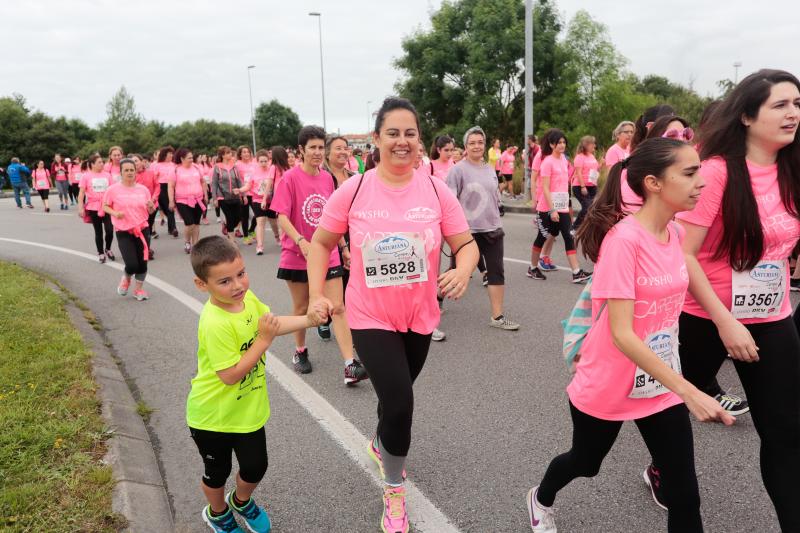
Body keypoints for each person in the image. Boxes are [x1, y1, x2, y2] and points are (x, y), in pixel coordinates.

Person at [526, 138, 733, 533]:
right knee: (585, 463)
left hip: (660, 384)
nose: (700, 183)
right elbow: (622, 334)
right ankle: (541, 497)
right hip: (610, 382)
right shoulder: (623, 242)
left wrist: (725, 322)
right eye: (689, 173)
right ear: (654, 183)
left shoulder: (673, 234)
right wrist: (690, 390)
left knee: (685, 495)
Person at [307, 97, 479, 533]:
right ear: (378, 139)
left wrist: (462, 268)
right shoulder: (355, 189)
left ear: (419, 140)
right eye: (393, 133)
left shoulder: (437, 190)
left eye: (410, 133)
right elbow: (322, 244)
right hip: (369, 315)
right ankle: (393, 489)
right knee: (401, 401)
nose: (402, 142)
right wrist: (315, 296)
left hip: (420, 315)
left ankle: (381, 440)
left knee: (392, 398)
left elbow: (466, 244)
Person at [665, 69, 800, 530]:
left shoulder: (792, 169)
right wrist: (725, 323)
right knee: (667, 411)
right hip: (703, 318)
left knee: (785, 434)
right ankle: (660, 468)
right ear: (746, 115)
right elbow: (684, 253)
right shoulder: (717, 172)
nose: (793, 113)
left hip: (771, 316)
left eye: (798, 104)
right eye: (780, 105)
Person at [186, 235, 324, 533]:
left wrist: (309, 320)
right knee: (217, 472)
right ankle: (218, 511)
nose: (237, 285)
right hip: (212, 418)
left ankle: (241, 501)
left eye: (241, 274)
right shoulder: (215, 323)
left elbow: (271, 326)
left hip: (247, 412)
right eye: (224, 281)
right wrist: (263, 341)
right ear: (202, 285)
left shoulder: (246, 300)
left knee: (255, 466)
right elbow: (230, 374)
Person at [270, 125, 368, 384]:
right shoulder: (289, 179)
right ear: (300, 150)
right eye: (311, 147)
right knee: (303, 308)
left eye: (320, 147)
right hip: (297, 253)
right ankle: (300, 351)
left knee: (337, 307)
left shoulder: (327, 178)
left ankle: (350, 364)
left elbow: (333, 218)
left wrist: (344, 248)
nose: (317, 152)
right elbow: (281, 215)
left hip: (329, 252)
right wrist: (301, 240)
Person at [448, 126, 520, 331]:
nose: (477, 146)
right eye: (472, 143)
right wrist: (453, 230)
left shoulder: (489, 168)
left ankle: (497, 316)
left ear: (484, 145)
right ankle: (437, 298)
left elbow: (494, 194)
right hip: (467, 232)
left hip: (493, 228)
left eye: (480, 142)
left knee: (497, 271)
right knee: (457, 273)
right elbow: (450, 202)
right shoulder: (457, 170)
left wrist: (499, 207)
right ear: (465, 146)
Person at [527, 130, 591, 283]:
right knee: (542, 237)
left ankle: (576, 272)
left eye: (564, 142)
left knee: (569, 236)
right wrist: (552, 209)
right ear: (551, 144)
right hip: (546, 207)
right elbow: (546, 187)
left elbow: (565, 182)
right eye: (559, 142)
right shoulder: (547, 162)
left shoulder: (563, 159)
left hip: (561, 205)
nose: (562, 145)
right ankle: (533, 268)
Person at [102, 158, 155, 300]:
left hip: (142, 229)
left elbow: (150, 211)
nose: (130, 172)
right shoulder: (113, 190)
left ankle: (138, 290)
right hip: (123, 230)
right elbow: (105, 206)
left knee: (143, 263)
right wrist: (115, 213)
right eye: (126, 170)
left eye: (132, 170)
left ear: (136, 171)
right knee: (131, 264)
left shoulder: (143, 190)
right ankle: (126, 278)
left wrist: (151, 207)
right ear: (121, 172)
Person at [78, 154, 115, 263]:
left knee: (109, 230)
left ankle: (108, 249)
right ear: (92, 164)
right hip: (93, 207)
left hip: (107, 206)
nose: (102, 164)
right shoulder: (86, 176)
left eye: (102, 162)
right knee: (98, 232)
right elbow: (81, 193)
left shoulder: (108, 175)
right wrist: (81, 208)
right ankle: (101, 253)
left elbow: (113, 191)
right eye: (99, 162)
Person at [170, 148, 207, 254]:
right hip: (182, 200)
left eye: (192, 157)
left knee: (196, 223)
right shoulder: (176, 170)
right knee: (189, 223)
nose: (192, 159)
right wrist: (171, 200)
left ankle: (196, 244)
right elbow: (171, 186)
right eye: (189, 158)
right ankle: (187, 242)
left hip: (198, 199)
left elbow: (203, 182)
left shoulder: (196, 167)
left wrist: (205, 195)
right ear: (182, 159)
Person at [240, 149, 272, 255]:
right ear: (257, 162)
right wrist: (240, 190)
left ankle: (277, 237)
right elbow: (248, 186)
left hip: (271, 200)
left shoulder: (272, 171)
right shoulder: (253, 173)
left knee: (274, 222)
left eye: (265, 161)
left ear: (268, 160)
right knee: (260, 221)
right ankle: (260, 246)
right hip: (257, 200)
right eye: (261, 161)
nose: (263, 163)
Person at [211, 146, 243, 243]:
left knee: (238, 217)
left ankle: (226, 227)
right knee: (229, 217)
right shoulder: (217, 167)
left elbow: (239, 181)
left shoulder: (234, 167)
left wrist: (243, 194)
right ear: (223, 155)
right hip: (222, 197)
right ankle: (232, 240)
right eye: (228, 153)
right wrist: (215, 198)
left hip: (235, 195)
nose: (230, 154)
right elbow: (214, 183)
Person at [571, 136, 603, 230]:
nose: (594, 145)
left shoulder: (592, 155)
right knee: (587, 207)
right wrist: (583, 186)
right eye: (592, 143)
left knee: (591, 208)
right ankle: (574, 228)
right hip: (580, 186)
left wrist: (600, 164)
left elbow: (595, 170)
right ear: (586, 145)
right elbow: (579, 173)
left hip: (592, 185)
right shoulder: (579, 157)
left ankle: (586, 228)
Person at [132, 154, 159, 258]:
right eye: (133, 161)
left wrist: (153, 200)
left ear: (142, 161)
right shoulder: (131, 176)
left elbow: (157, 187)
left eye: (136, 160)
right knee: (139, 228)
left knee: (148, 228)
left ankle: (146, 248)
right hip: (137, 208)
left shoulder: (151, 173)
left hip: (151, 205)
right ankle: (143, 249)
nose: (135, 163)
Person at [153, 146, 178, 238]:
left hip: (171, 187)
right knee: (164, 207)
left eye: (172, 153)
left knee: (170, 207)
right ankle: (171, 227)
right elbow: (154, 178)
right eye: (170, 153)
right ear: (165, 154)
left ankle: (173, 228)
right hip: (161, 187)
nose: (171, 155)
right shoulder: (157, 165)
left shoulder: (174, 165)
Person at [236, 146, 257, 244]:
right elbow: (237, 180)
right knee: (244, 216)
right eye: (244, 152)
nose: (246, 154)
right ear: (240, 154)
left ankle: (251, 230)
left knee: (258, 214)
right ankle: (246, 237)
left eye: (248, 152)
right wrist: (242, 193)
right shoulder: (237, 165)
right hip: (243, 193)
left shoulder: (254, 164)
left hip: (254, 193)